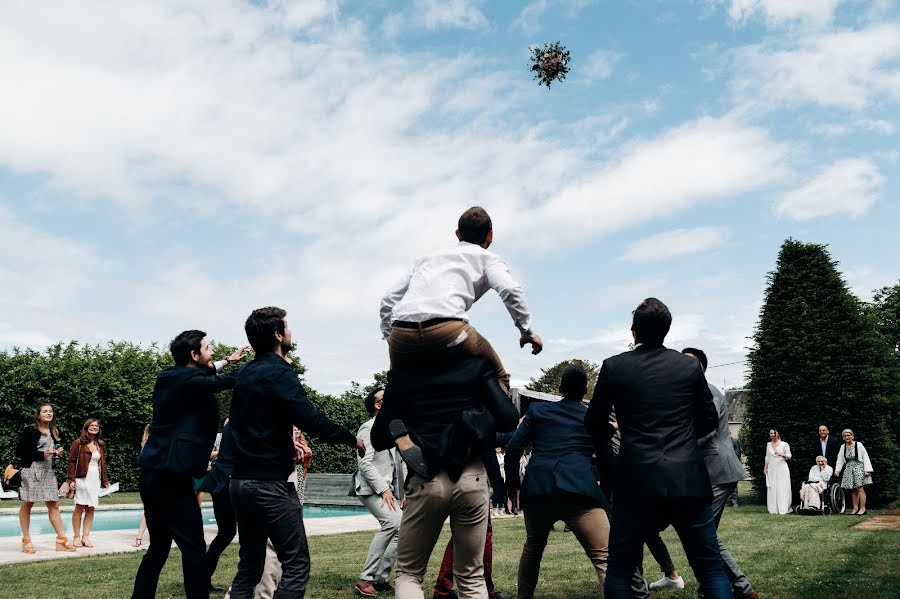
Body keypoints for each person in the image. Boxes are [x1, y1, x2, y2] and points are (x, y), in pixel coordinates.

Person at [585, 298, 730, 599]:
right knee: (709, 567)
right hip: (687, 477)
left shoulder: (615, 366)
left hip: (636, 479)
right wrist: (684, 440)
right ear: (667, 330)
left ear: (634, 330)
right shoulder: (689, 367)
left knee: (621, 569)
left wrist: (615, 435)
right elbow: (707, 421)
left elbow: (593, 421)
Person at [227, 306, 365, 599]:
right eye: (287, 328)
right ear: (278, 335)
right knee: (297, 563)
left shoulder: (246, 373)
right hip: (268, 484)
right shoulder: (279, 372)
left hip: (239, 482)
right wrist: (351, 439)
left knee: (249, 566)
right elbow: (309, 418)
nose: (290, 332)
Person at [371, 353, 519, 599]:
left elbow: (378, 438)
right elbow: (510, 419)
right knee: (472, 576)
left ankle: (414, 440)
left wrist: (401, 428)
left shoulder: (404, 373)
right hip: (472, 476)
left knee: (409, 574)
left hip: (426, 476)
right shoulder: (476, 366)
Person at [131, 330, 249, 599]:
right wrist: (258, 368)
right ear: (194, 355)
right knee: (193, 547)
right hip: (169, 475)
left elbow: (205, 375)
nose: (213, 352)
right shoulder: (179, 378)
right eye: (208, 348)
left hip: (157, 473)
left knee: (159, 547)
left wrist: (228, 361)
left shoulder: (180, 378)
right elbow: (213, 382)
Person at [380, 206, 542, 394]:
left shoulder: (426, 259)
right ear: (490, 235)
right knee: (499, 377)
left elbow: (388, 300)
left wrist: (389, 336)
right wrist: (527, 332)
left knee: (396, 391)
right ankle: (496, 422)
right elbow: (510, 290)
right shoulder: (488, 258)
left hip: (401, 332)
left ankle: (392, 419)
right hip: (449, 331)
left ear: (457, 233)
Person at [643, 348, 758, 599]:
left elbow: (705, 432)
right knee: (703, 535)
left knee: (704, 535)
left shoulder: (707, 392)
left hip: (717, 468)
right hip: (707, 471)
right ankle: (726, 588)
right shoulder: (690, 393)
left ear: (699, 368)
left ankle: (739, 588)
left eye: (686, 363)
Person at [507, 365, 610, 599]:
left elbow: (513, 447)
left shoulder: (538, 410)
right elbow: (605, 458)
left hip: (538, 487)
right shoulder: (592, 416)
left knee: (533, 547)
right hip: (579, 488)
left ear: (560, 387)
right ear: (585, 390)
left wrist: (512, 484)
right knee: (604, 558)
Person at [354, 387, 406, 598]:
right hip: (370, 488)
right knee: (392, 523)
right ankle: (365, 579)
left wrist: (403, 493)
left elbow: (400, 463)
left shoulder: (394, 428)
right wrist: (384, 490)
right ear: (378, 405)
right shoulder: (367, 428)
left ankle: (380, 578)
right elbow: (365, 465)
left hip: (389, 490)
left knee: (401, 528)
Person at [17, 403, 76, 554]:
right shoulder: (30, 430)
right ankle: (26, 540)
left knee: (54, 504)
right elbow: (21, 451)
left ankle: (61, 539)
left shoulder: (52, 431)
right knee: (28, 503)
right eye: (45, 411)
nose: (49, 413)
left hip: (47, 472)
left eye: (50, 411)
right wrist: (42, 455)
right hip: (31, 470)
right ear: (38, 415)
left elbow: (48, 452)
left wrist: (57, 452)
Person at [67, 418, 110, 548]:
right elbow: (71, 462)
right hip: (82, 478)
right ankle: (76, 537)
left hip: (94, 479)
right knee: (79, 507)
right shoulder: (78, 443)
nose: (94, 427)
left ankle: (86, 537)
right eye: (91, 425)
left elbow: (102, 464)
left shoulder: (100, 444)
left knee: (90, 508)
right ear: (86, 428)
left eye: (96, 426)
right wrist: (71, 479)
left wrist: (105, 480)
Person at [204, 420, 236, 592]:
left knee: (227, 532)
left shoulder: (231, 425)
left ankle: (203, 576)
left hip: (223, 481)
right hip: (226, 483)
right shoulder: (236, 425)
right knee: (228, 532)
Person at [834, 429, 874, 516]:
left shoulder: (858, 445)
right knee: (853, 489)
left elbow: (865, 456)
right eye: (845, 436)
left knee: (860, 488)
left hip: (859, 467)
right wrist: (837, 470)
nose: (847, 437)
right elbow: (840, 459)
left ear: (852, 436)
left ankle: (863, 508)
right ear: (843, 437)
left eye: (848, 435)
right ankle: (855, 508)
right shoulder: (843, 447)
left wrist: (867, 470)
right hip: (849, 467)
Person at [764, 429, 792, 515]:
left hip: (781, 467)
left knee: (782, 486)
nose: (772, 435)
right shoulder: (768, 445)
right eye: (771, 433)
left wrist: (782, 454)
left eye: (774, 433)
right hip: (772, 468)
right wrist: (765, 468)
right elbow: (767, 457)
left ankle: (783, 507)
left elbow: (789, 456)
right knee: (772, 487)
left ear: (777, 434)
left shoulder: (784, 444)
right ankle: (773, 508)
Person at [133, 424, 151, 548]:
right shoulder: (149, 446)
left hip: (148, 480)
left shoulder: (145, 446)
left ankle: (139, 538)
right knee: (149, 510)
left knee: (149, 510)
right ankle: (139, 537)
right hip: (152, 481)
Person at [729, 435, 742, 507]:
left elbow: (738, 454)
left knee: (733, 484)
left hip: (733, 465)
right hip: (723, 466)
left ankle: (735, 501)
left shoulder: (734, 441)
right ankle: (730, 500)